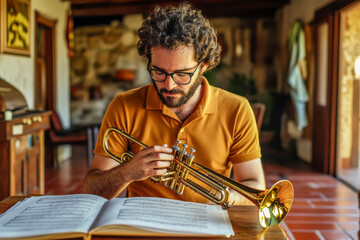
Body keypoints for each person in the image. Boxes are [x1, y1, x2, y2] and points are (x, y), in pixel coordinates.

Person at [83, 2, 266, 205]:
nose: (169, 85)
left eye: (182, 74)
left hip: (207, 226)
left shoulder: (237, 109)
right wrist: (128, 172)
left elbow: (255, 185)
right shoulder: (123, 106)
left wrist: (225, 198)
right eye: (159, 72)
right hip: (144, 227)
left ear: (203, 65)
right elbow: (92, 191)